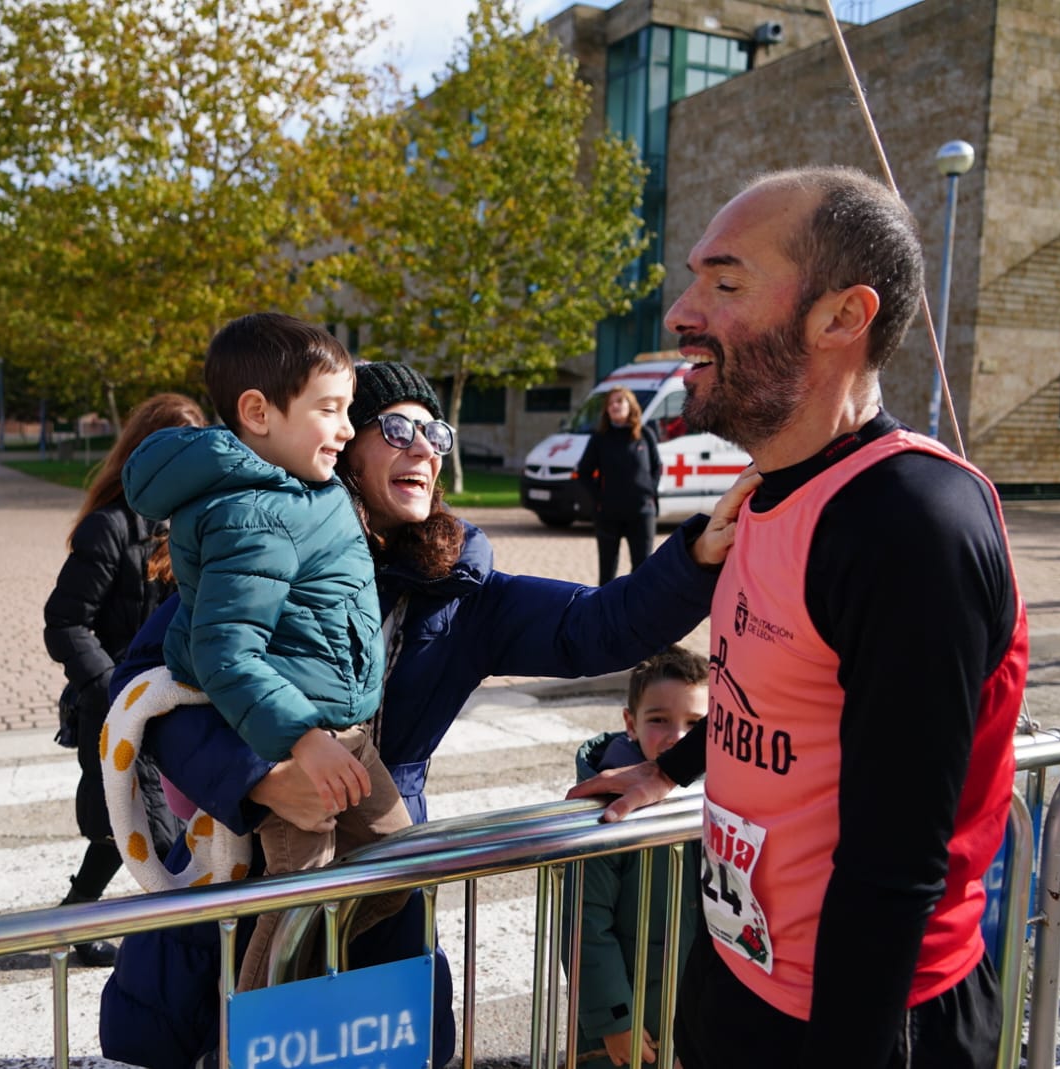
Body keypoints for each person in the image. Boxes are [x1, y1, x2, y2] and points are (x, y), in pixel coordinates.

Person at [99, 360, 758, 1069]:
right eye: (400, 427)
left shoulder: (463, 592)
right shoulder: (261, 536)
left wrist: (695, 555)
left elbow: (598, 627)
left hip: (382, 881)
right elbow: (146, 684)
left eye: (435, 432)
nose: (425, 447)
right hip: (226, 877)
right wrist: (258, 776)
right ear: (347, 442)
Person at [570, 166, 1029, 1069]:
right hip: (739, 974)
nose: (680, 311)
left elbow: (897, 861)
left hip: (866, 1018)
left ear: (840, 317)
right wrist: (669, 771)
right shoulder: (767, 492)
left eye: (725, 282)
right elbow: (771, 695)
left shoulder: (909, 522)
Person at [121, 313, 410, 993]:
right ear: (258, 412)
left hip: (347, 734)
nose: (346, 428)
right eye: (330, 410)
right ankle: (250, 1036)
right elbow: (225, 650)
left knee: (400, 866)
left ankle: (311, 990)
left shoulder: (305, 487)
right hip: (297, 742)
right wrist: (300, 743)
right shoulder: (252, 513)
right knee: (295, 908)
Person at [43, 393, 206, 966]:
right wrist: (117, 692)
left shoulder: (193, 523)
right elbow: (65, 623)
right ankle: (193, 966)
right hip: (115, 710)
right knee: (163, 839)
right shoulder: (108, 528)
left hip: (175, 708)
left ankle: (76, 911)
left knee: (127, 825)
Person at [566, 646, 706, 1068]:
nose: (677, 737)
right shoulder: (610, 809)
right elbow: (585, 921)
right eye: (659, 720)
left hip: (696, 1013)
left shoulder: (719, 793)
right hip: (632, 1021)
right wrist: (614, 1019)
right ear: (630, 722)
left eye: (695, 725)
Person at [577, 386, 663, 586]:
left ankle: (639, 613)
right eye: (610, 403)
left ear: (630, 405)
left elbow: (657, 467)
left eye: (620, 401)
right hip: (609, 514)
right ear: (606, 410)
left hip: (642, 512)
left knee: (642, 570)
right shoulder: (600, 438)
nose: (615, 406)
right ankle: (605, 613)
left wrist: (649, 491)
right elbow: (583, 473)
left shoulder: (645, 434)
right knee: (607, 571)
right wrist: (599, 499)